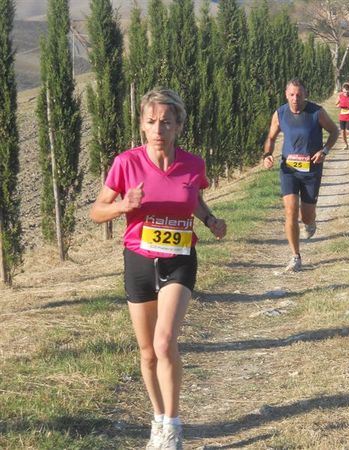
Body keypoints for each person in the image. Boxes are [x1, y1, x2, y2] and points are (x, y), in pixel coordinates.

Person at [90, 88, 227, 450]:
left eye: (166, 122)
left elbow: (192, 196)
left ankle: (173, 424)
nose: (158, 129)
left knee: (165, 342)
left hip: (179, 257)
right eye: (151, 122)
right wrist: (122, 205)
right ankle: (156, 418)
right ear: (142, 125)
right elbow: (95, 212)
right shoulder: (126, 163)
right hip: (138, 258)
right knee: (147, 350)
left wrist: (210, 218)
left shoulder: (194, 164)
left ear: (179, 125)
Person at [263, 79, 339, 272]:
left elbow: (334, 131)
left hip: (311, 170)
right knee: (290, 211)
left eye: (299, 94)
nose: (295, 98)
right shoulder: (280, 114)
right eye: (292, 94)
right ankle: (295, 256)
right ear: (286, 95)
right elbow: (271, 138)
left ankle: (311, 222)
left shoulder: (316, 112)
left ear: (305, 95)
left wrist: (324, 151)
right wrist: (267, 154)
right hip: (288, 169)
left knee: (306, 216)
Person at [336, 82, 349, 149]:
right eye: (344, 91)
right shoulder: (340, 96)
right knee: (342, 132)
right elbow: (336, 104)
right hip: (342, 116)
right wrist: (339, 106)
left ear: (348, 90)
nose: (346, 93)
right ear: (343, 90)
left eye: (347, 91)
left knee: (348, 132)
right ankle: (346, 144)